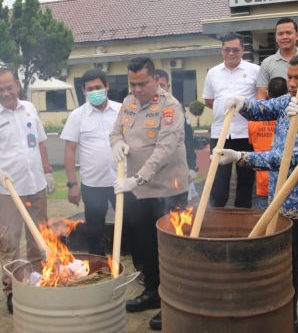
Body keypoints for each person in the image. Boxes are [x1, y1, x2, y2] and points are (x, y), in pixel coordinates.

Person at [219, 53, 298, 333]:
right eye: (289, 77)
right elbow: (263, 109)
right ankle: (287, 318)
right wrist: (242, 103)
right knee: (287, 264)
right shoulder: (289, 100)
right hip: (282, 199)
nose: (292, 84)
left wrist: (241, 157)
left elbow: (288, 159)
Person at [110, 57, 189, 331]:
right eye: (132, 84)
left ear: (155, 79)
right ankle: (153, 292)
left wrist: (137, 178)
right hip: (138, 192)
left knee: (171, 252)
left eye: (142, 83)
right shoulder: (128, 103)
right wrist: (117, 144)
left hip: (168, 191)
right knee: (145, 249)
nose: (136, 89)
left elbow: (165, 150)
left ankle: (173, 304)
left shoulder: (170, 107)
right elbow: (115, 133)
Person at [0, 66, 55, 315]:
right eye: (0, 89)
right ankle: (12, 290)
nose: (5, 92)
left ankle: (37, 283)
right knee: (9, 242)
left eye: (9, 87)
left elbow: (40, 143)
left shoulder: (29, 109)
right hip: (8, 191)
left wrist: (47, 171)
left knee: (38, 239)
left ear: (17, 86)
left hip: (35, 186)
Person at [60, 68, 121, 255]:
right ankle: (98, 267)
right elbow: (69, 151)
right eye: (90, 89)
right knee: (95, 233)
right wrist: (72, 184)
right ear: (83, 91)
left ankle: (138, 267)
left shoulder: (122, 111)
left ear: (106, 87)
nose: (95, 92)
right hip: (93, 185)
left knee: (130, 225)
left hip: (121, 182)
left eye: (98, 87)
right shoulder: (77, 116)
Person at [202, 33, 260, 207]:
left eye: (235, 50)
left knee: (246, 179)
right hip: (220, 133)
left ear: (242, 50)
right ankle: (217, 215)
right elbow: (209, 100)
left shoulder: (255, 70)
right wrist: (223, 110)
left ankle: (242, 216)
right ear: (222, 50)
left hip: (246, 133)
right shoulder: (213, 73)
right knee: (218, 180)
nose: (231, 53)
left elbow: (260, 98)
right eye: (227, 49)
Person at [247, 76, 287, 209]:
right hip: (286, 181)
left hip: (263, 182)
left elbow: (252, 143)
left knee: (263, 219)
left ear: (267, 93)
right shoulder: (289, 119)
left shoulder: (254, 120)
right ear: (287, 94)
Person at [154, 69, 198, 181]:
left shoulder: (177, 108)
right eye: (155, 86)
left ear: (168, 87)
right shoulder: (141, 110)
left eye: (162, 85)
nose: (158, 89)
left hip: (176, 167)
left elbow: (188, 139)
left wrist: (191, 166)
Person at [256, 17, 298, 100]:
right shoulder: (267, 63)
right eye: (280, 34)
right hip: (276, 108)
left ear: (297, 35)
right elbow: (261, 95)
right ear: (276, 37)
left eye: (289, 33)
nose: (284, 37)